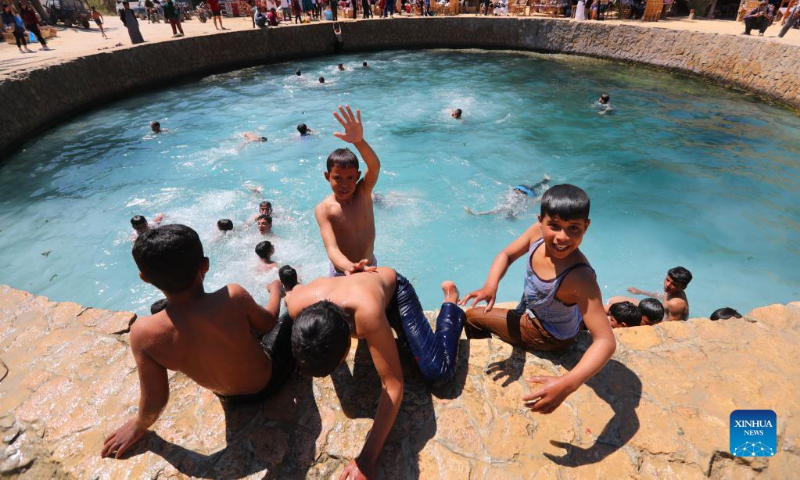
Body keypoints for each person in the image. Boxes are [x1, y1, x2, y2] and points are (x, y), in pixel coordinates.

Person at [101, 225, 293, 458]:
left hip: (227, 396)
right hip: (267, 383)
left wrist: (138, 425)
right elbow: (268, 323)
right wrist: (276, 292)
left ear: (145, 278)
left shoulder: (143, 333)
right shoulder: (232, 296)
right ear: (205, 265)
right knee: (291, 316)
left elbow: (155, 400)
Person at [288, 269, 465, 478]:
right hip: (361, 291)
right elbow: (291, 294)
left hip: (394, 295)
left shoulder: (366, 315)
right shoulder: (296, 307)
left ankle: (451, 300)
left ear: (349, 340)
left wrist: (367, 458)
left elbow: (393, 386)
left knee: (439, 372)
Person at [460, 184, 616, 415]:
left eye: (573, 228)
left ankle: (485, 354)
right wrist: (491, 284)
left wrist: (567, 384)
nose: (562, 237)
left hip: (548, 333)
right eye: (554, 226)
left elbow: (606, 341)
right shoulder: (536, 234)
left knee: (472, 317)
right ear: (540, 221)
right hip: (546, 311)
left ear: (586, 226)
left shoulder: (580, 278)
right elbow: (506, 254)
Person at [315, 106, 381, 277]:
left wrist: (359, 141)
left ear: (357, 176)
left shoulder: (363, 192)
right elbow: (332, 249)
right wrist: (351, 267)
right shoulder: (324, 209)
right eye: (338, 178)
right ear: (327, 176)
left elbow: (374, 166)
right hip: (342, 272)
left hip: (370, 265)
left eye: (350, 178)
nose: (344, 185)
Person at [464, 174, 550, 218]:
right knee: (535, 187)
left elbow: (492, 212)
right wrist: (475, 214)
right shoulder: (515, 205)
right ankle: (546, 181)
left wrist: (475, 214)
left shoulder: (511, 205)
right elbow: (492, 212)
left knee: (535, 187)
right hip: (521, 189)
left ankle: (546, 181)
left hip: (523, 190)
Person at [624, 266, 692, 321]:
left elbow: (672, 326)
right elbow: (661, 296)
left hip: (660, 321)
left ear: (683, 287)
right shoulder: (673, 291)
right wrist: (641, 292)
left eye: (674, 284)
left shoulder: (676, 304)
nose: (667, 285)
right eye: (667, 280)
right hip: (660, 314)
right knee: (623, 301)